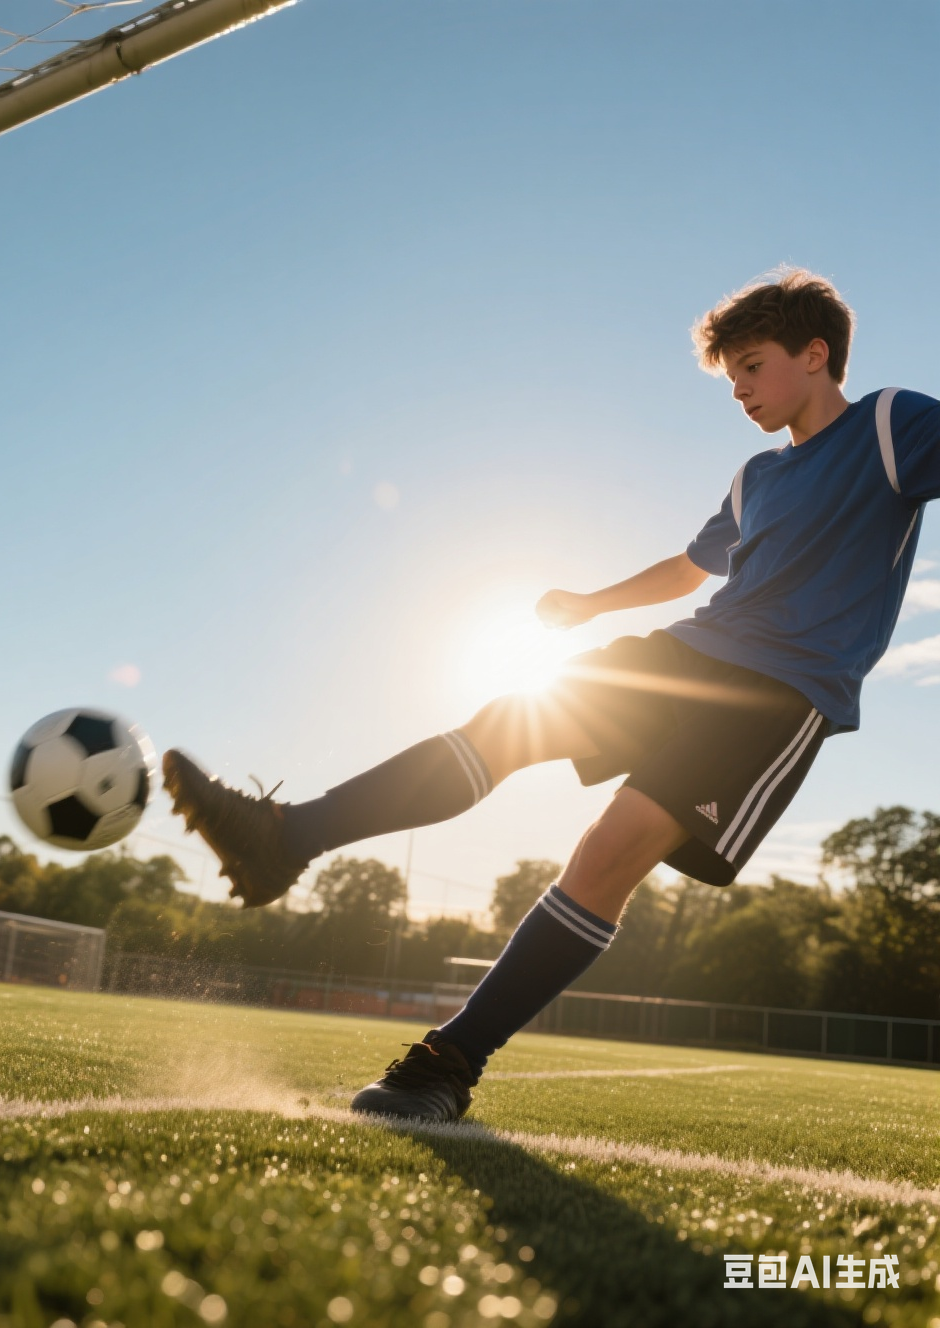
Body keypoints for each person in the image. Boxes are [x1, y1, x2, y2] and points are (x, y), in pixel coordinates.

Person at [162, 269, 940, 1121]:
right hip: (683, 653)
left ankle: (446, 1064)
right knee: (508, 722)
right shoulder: (756, 475)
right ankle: (287, 837)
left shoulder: (890, 423)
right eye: (732, 379)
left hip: (780, 694)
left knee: (611, 848)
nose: (742, 391)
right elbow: (692, 566)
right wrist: (590, 603)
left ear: (816, 354)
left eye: (753, 367)